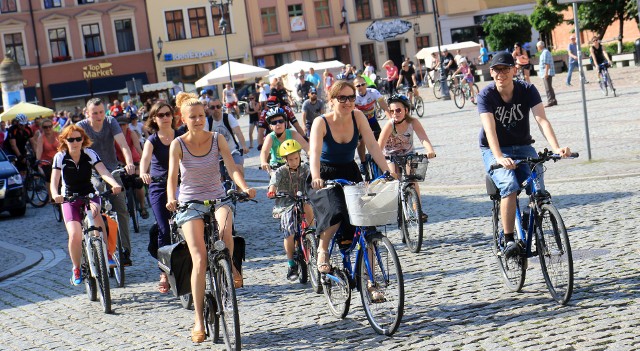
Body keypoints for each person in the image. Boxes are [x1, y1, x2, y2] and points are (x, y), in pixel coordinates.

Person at [165, 92, 256, 343]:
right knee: (199, 258)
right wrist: (171, 198)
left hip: (217, 197)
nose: (198, 120)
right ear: (183, 119)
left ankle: (232, 267)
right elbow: (172, 178)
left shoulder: (218, 139)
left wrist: (243, 186)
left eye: (201, 116)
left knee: (226, 231)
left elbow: (231, 167)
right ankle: (198, 319)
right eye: (192, 117)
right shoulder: (178, 144)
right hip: (190, 203)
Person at [477, 51, 571, 259]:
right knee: (509, 186)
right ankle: (509, 240)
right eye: (496, 69)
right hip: (494, 149)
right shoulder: (486, 95)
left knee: (537, 188)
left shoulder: (527, 89)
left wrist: (556, 148)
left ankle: (532, 213)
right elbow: (489, 129)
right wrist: (499, 156)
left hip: (522, 145)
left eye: (505, 69)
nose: (501, 73)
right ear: (491, 72)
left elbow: (541, 120)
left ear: (514, 70)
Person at [308, 80, 393, 278]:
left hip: (350, 172)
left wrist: (388, 171)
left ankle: (370, 281)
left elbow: (372, 146)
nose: (348, 102)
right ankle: (323, 250)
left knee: (368, 223)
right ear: (331, 100)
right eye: (342, 98)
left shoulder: (358, 116)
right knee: (336, 211)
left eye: (351, 98)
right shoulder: (321, 122)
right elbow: (314, 153)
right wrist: (316, 177)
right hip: (324, 174)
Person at [50, 125, 123, 286]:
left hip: (89, 194)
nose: (75, 142)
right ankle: (76, 268)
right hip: (69, 198)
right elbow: (54, 181)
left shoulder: (89, 153)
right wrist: (56, 195)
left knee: (97, 220)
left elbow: (103, 172)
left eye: (78, 139)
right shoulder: (60, 157)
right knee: (75, 234)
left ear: (83, 140)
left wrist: (113, 184)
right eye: (71, 139)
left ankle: (107, 254)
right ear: (65, 140)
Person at [77, 98, 136, 266]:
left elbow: (123, 145)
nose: (98, 116)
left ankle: (125, 250)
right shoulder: (82, 127)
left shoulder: (111, 122)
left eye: (101, 112)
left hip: (111, 169)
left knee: (121, 208)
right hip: (92, 172)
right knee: (95, 199)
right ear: (87, 113)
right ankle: (94, 238)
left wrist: (129, 162)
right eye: (94, 113)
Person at [140, 101, 183, 294]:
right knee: (164, 229)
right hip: (158, 186)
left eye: (167, 114)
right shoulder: (153, 140)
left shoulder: (181, 135)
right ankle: (164, 272)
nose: (165, 117)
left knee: (189, 223)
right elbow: (145, 160)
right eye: (160, 115)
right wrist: (143, 172)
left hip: (181, 184)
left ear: (173, 116)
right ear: (154, 119)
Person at [377, 94, 436, 221]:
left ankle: (417, 208)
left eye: (398, 110)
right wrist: (379, 158)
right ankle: (396, 206)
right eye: (391, 111)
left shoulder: (413, 122)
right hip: (391, 155)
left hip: (408, 154)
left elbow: (423, 138)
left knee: (412, 179)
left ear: (406, 110)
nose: (394, 114)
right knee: (393, 177)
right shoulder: (390, 125)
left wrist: (430, 150)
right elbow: (379, 145)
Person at [266, 139, 314, 281]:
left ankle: (312, 233)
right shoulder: (281, 171)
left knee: (308, 206)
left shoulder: (305, 168)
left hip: (304, 198)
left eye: (296, 158)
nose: (294, 161)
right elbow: (273, 183)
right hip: (286, 202)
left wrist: (318, 182)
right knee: (289, 232)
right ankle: (291, 263)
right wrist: (272, 191)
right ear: (285, 159)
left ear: (300, 156)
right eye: (290, 159)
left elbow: (314, 176)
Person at [353, 76, 389, 173]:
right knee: (360, 141)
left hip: (371, 119)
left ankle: (381, 159)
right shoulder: (353, 97)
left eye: (363, 84)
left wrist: (392, 121)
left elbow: (385, 107)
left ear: (366, 84)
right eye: (358, 86)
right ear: (354, 87)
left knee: (380, 138)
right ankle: (363, 162)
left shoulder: (373, 92)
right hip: (359, 122)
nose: (361, 87)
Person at [115, 116, 148, 219]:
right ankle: (125, 206)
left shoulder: (131, 133)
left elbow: (138, 147)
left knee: (138, 182)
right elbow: (111, 151)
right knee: (121, 183)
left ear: (127, 125)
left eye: (124, 124)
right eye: (119, 125)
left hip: (135, 160)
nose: (122, 127)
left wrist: (143, 161)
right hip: (121, 162)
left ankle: (142, 207)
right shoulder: (114, 136)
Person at [206, 99, 249, 176]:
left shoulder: (228, 117)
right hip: (216, 155)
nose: (216, 109)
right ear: (209, 109)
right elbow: (203, 138)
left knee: (238, 170)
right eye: (212, 107)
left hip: (232, 151)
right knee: (218, 177)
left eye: (218, 106)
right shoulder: (207, 122)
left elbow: (238, 132)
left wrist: (244, 145)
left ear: (221, 107)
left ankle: (240, 188)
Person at [260, 107, 309, 173]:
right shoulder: (270, 137)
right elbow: (264, 152)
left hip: (294, 164)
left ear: (285, 123)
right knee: (274, 182)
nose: (278, 124)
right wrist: (264, 162)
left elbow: (306, 147)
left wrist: (312, 155)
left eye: (281, 121)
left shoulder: (293, 134)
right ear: (270, 126)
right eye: (274, 122)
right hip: (276, 168)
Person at [35, 118, 60, 200]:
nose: (48, 129)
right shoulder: (41, 138)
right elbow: (39, 150)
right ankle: (51, 197)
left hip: (58, 160)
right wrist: (38, 161)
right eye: (45, 127)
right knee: (49, 176)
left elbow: (63, 147)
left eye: (50, 126)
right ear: (42, 128)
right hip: (46, 162)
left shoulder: (57, 135)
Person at [536, 41, 557, 107]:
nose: (537, 48)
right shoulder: (544, 52)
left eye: (537, 47)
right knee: (549, 87)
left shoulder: (545, 53)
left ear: (540, 46)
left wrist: (546, 73)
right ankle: (554, 100)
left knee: (548, 88)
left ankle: (550, 101)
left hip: (547, 72)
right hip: (546, 72)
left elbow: (547, 64)